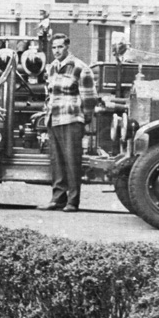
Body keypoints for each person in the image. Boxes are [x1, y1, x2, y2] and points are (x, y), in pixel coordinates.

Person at [38, 33, 98, 213]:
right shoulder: (52, 67)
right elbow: (49, 94)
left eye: (60, 47)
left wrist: (85, 118)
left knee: (72, 161)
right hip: (53, 119)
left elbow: (90, 97)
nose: (56, 51)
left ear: (67, 47)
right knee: (57, 161)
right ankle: (57, 198)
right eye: (54, 47)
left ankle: (72, 201)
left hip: (71, 120)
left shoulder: (80, 68)